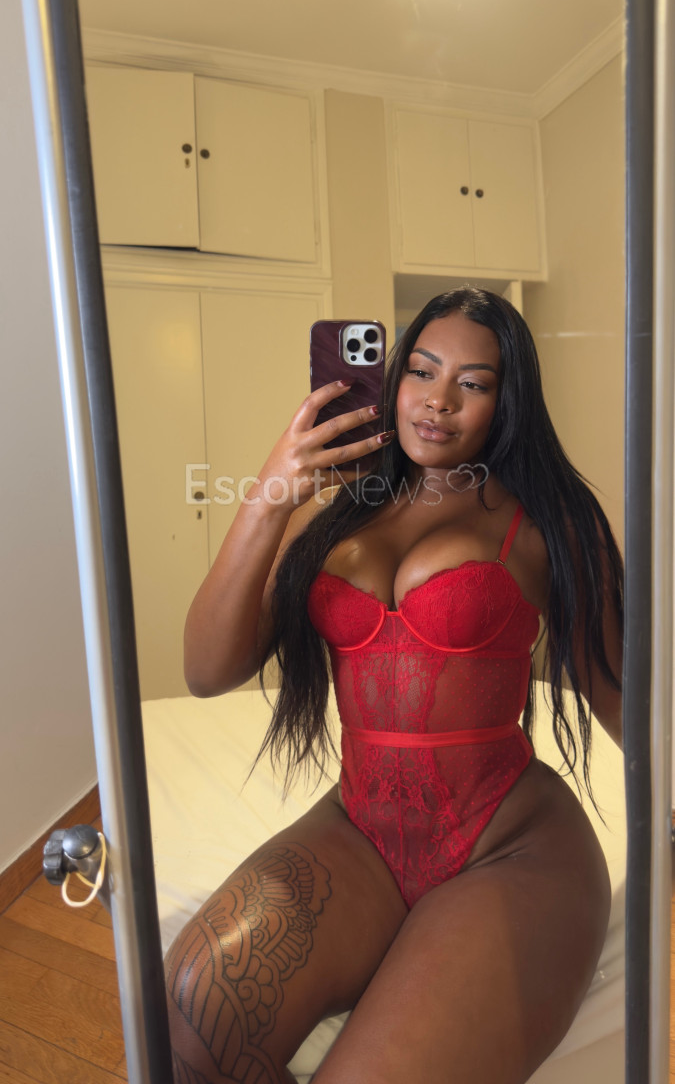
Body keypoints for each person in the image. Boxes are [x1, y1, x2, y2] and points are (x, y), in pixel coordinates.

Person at [165, 287, 623, 1084]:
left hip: (510, 848)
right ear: (394, 377)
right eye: (421, 371)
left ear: (506, 403)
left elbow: (626, 697)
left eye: (472, 383)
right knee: (185, 1020)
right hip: (360, 834)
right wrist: (273, 493)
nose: (438, 401)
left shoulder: (549, 523)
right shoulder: (333, 517)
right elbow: (207, 672)